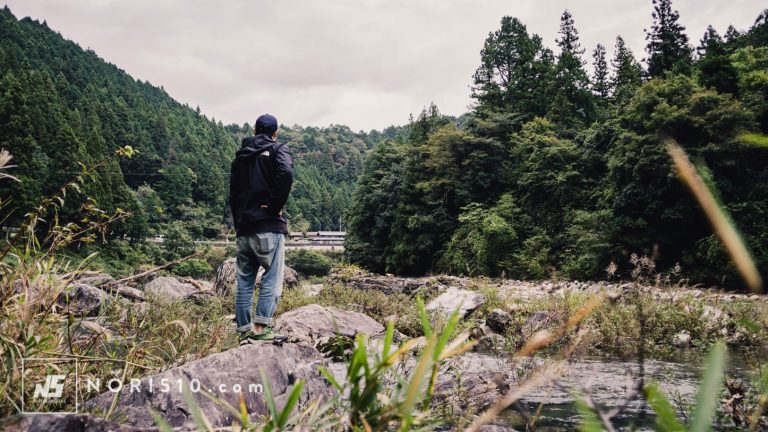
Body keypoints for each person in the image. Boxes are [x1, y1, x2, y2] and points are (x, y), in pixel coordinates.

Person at [229, 114, 293, 344]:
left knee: (244, 280)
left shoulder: (240, 158)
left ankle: (244, 330)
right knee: (272, 278)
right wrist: (275, 206)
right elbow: (285, 173)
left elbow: (233, 195)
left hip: (244, 229)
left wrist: (239, 223)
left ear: (254, 130)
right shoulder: (278, 150)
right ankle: (260, 329)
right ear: (276, 132)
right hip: (267, 227)